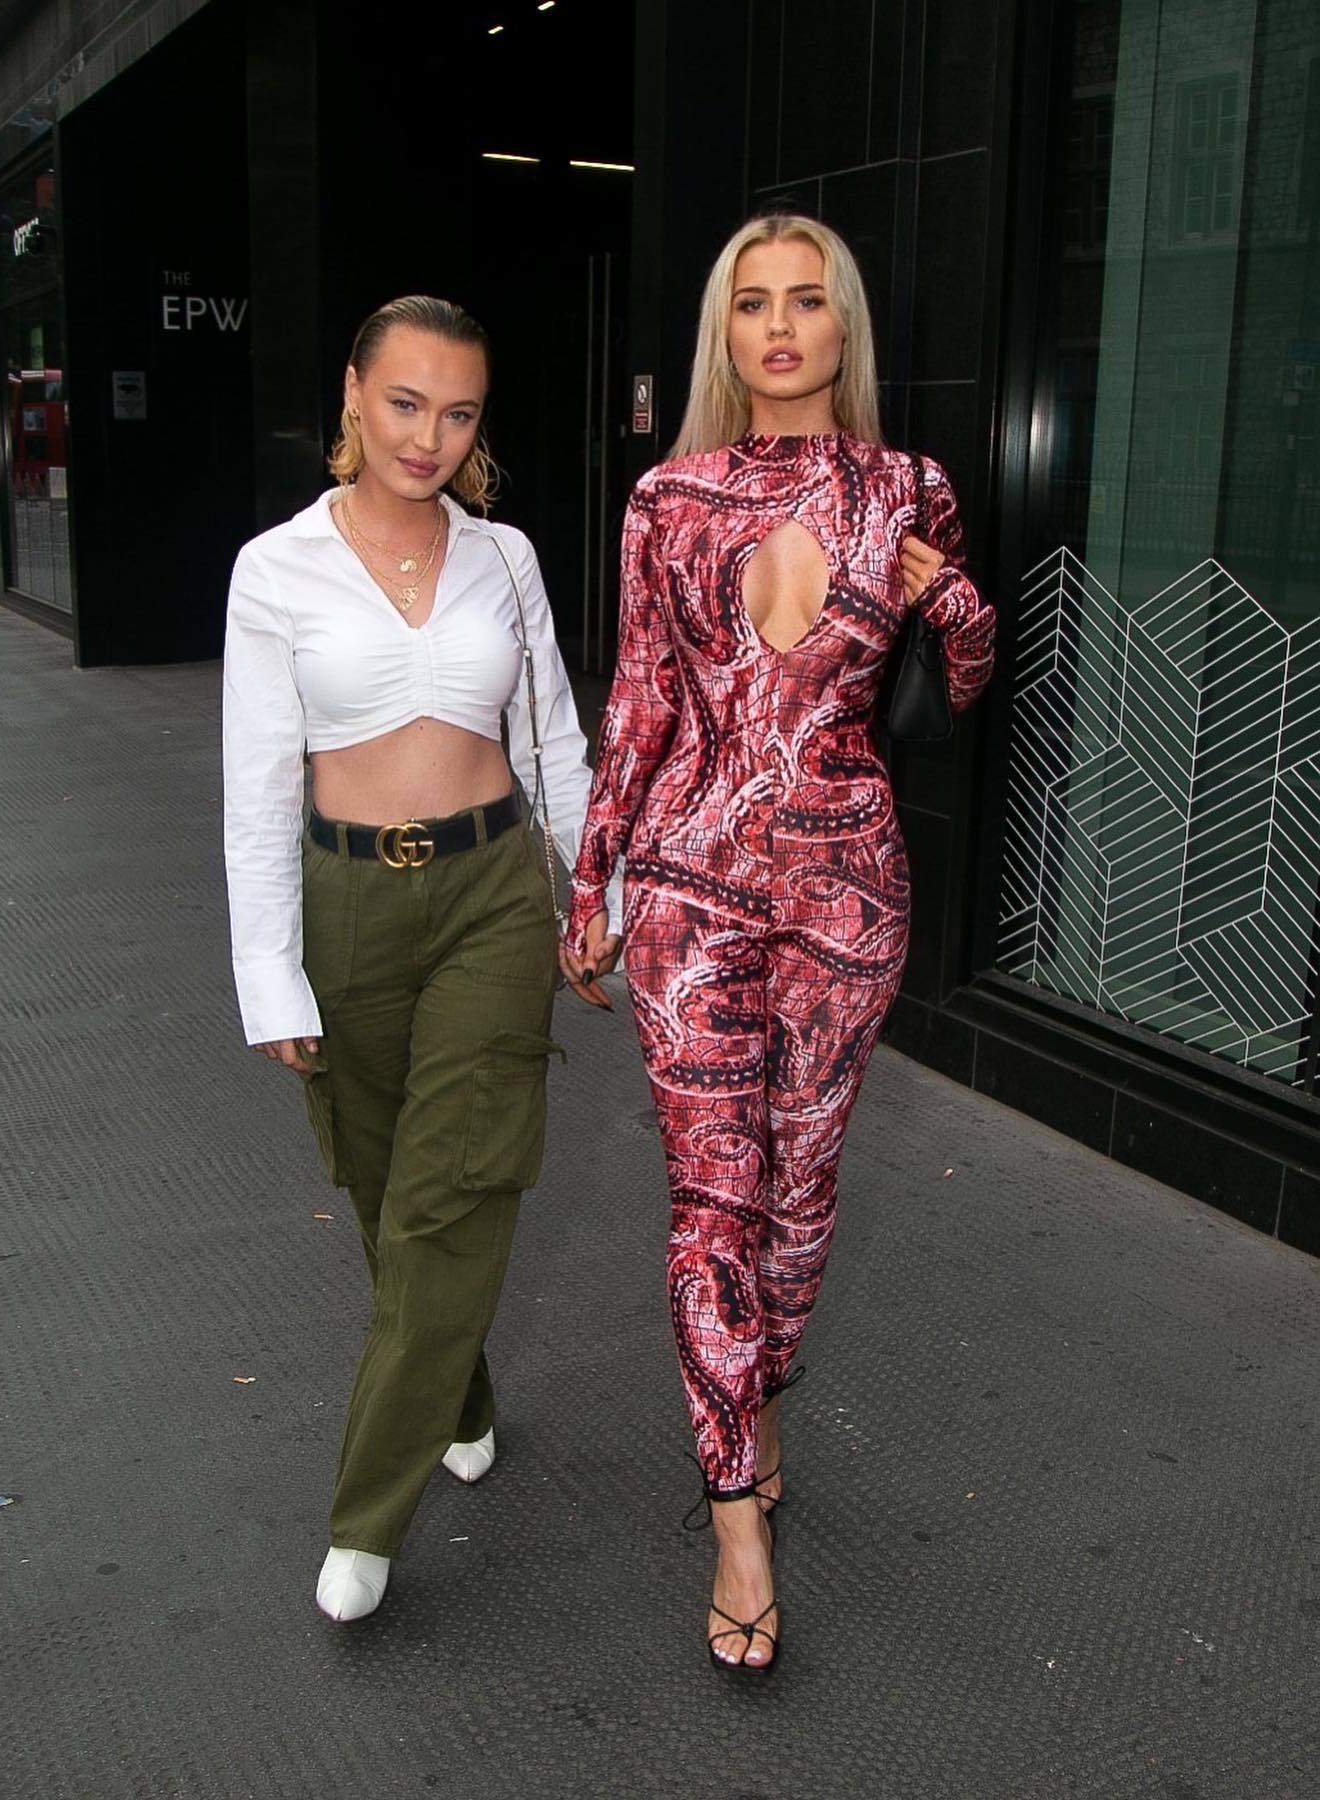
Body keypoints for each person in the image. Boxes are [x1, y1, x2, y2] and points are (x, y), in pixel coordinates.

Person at [561, 215, 996, 1673]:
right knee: (713, 1206)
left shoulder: (907, 488)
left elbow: (964, 681)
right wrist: (592, 877)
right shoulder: (666, 498)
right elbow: (639, 698)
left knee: (798, 1206)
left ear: (841, 325)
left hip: (846, 892)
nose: (782, 327)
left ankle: (757, 1391)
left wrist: (952, 598)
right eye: (753, 304)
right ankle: (735, 1512)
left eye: (808, 301)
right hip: (691, 882)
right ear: (725, 333)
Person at [222, 295, 620, 1624]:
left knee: (455, 1186)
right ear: (353, 392)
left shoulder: (505, 556)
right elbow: (255, 790)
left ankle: (366, 1519)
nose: (427, 437)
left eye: (457, 413)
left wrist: (594, 895)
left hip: (493, 893)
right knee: (385, 1181)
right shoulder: (276, 568)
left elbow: (553, 740)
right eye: (404, 403)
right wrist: (269, 974)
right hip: (346, 905)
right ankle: (457, 1387)